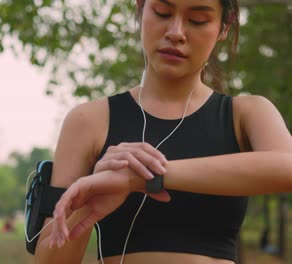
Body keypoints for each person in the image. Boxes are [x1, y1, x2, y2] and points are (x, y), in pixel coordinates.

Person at [34, 0, 292, 263]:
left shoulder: (246, 114)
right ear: (140, 8)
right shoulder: (88, 120)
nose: (176, 32)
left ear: (224, 27)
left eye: (198, 20)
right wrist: (88, 202)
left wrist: (143, 177)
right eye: (162, 13)